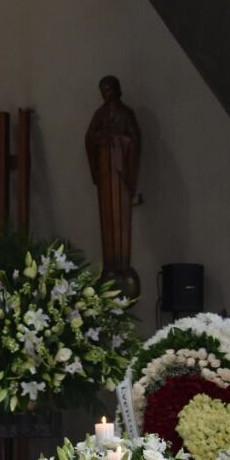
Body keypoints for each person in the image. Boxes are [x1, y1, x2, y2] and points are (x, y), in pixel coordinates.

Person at [85, 74, 142, 296]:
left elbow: (135, 139)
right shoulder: (100, 114)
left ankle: (121, 266)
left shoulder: (126, 113)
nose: (106, 95)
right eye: (103, 91)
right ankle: (110, 266)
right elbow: (89, 138)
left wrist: (118, 141)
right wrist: (100, 138)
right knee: (107, 216)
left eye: (109, 90)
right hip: (105, 173)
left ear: (116, 90)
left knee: (120, 216)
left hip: (120, 173)